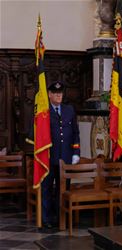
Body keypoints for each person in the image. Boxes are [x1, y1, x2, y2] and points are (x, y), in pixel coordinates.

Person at [27, 81, 80, 229]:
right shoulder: (43, 111)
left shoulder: (69, 109)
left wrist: (76, 152)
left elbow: (75, 132)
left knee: (63, 188)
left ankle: (60, 217)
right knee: (47, 188)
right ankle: (46, 218)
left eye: (61, 93)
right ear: (49, 94)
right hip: (48, 156)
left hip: (66, 157)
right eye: (55, 93)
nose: (58, 95)